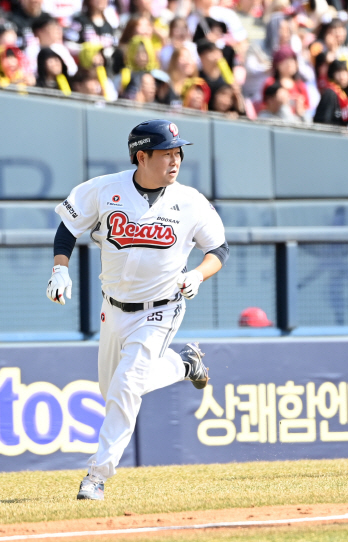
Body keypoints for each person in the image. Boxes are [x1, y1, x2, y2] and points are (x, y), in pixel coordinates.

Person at [46, 119, 228, 500]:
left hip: (161, 308)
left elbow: (219, 249)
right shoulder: (105, 188)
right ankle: (183, 365)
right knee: (110, 389)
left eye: (178, 152)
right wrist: (60, 267)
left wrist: (197, 275)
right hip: (113, 308)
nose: (175, 160)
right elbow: (68, 226)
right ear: (140, 156)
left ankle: (96, 476)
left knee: (126, 388)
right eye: (165, 153)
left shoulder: (190, 200)